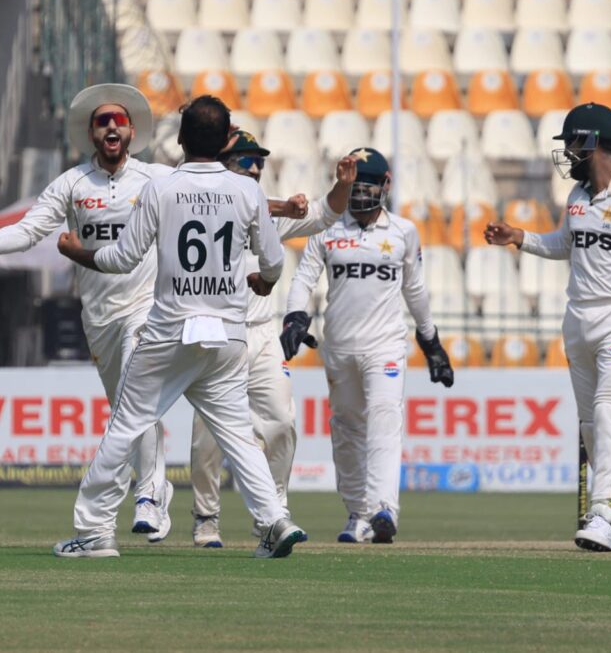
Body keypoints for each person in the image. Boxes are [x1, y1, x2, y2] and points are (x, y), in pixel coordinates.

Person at [52, 95, 306, 559]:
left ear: (182, 139)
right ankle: (274, 521)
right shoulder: (246, 191)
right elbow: (271, 262)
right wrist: (264, 283)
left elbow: (121, 258)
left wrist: (76, 252)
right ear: (228, 140)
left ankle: (92, 532)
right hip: (228, 336)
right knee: (236, 436)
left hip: (170, 331)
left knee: (126, 426)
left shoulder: (161, 188)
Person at [0, 84, 174, 541]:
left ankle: (148, 494)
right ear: (92, 134)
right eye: (102, 121)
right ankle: (158, 483)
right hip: (99, 317)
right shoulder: (72, 184)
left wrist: (278, 209)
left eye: (119, 120)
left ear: (131, 131)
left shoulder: (156, 179)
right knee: (128, 408)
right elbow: (30, 230)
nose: (111, 125)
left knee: (136, 397)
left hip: (145, 308)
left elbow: (213, 204)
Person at [484, 102, 611, 552]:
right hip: (578, 317)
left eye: (572, 144)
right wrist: (521, 238)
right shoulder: (577, 198)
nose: (568, 153)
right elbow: (564, 245)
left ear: (593, 143)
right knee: (591, 423)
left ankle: (603, 511)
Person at [190, 131, 357, 548]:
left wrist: (344, 185)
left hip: (262, 332)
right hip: (213, 330)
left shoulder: (268, 215)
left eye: (259, 160)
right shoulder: (200, 203)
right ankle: (206, 517)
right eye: (245, 159)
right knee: (208, 435)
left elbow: (324, 215)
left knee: (281, 422)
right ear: (221, 163)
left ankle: (274, 510)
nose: (255, 167)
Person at [281, 147, 454, 544]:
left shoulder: (403, 232)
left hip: (385, 347)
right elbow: (304, 280)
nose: (359, 194)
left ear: (385, 185)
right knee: (346, 430)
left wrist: (431, 343)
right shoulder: (326, 229)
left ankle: (383, 509)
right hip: (339, 347)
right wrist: (295, 316)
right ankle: (357, 514)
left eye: (367, 186)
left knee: (383, 421)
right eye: (354, 186)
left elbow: (416, 291)